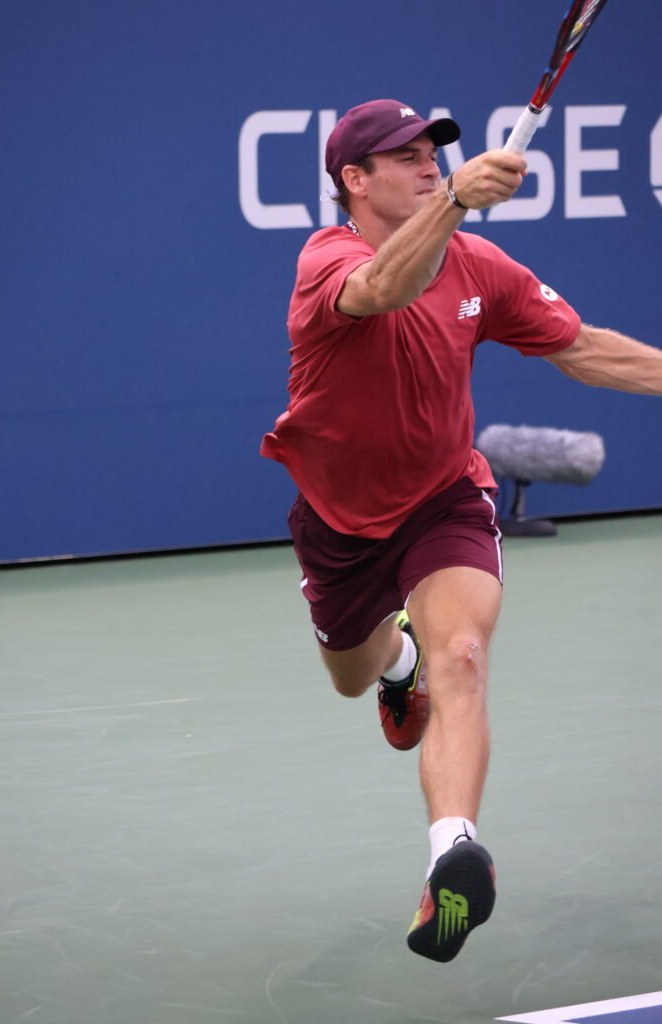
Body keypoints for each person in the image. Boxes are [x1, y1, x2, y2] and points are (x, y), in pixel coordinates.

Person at [260, 98, 662, 963]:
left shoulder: (478, 265)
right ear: (353, 180)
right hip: (338, 522)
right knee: (351, 674)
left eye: (432, 153)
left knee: (466, 656)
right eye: (404, 157)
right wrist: (454, 203)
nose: (427, 164)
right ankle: (394, 662)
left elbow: (581, 348)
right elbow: (384, 288)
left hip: (445, 498)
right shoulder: (327, 258)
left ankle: (453, 855)